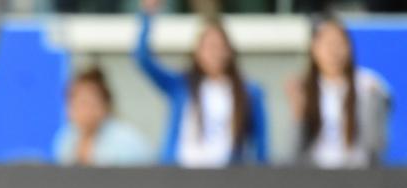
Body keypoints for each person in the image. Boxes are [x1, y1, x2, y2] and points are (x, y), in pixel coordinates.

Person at [133, 0, 268, 167]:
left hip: (226, 181)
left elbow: (261, 148)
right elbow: (143, 59)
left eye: (218, 46)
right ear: (197, 52)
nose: (214, 53)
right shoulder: (180, 85)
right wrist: (148, 15)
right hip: (180, 178)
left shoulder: (249, 92)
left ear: (229, 51)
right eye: (208, 46)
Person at [287, 16, 392, 168]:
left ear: (349, 48)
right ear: (314, 48)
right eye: (327, 44)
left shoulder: (368, 85)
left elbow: (376, 146)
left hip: (358, 174)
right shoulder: (303, 87)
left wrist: (373, 103)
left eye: (339, 43)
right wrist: (298, 113)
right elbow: (292, 153)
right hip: (315, 176)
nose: (333, 51)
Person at [54, 66, 154, 167]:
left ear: (105, 105)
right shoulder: (67, 139)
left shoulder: (125, 141)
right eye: (76, 102)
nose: (83, 110)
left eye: (88, 103)